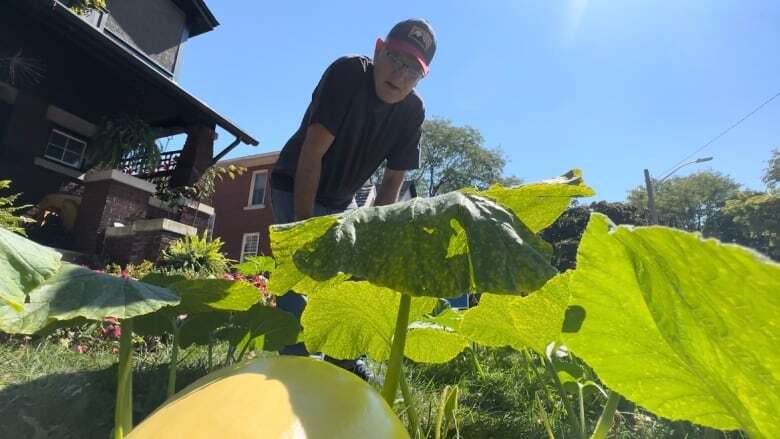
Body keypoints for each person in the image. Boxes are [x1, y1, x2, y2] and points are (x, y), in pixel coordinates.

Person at [269, 19, 437, 380]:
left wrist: (375, 240)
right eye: (395, 58)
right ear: (378, 49)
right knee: (301, 275)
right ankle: (292, 363)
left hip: (344, 198)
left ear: (422, 77)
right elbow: (313, 151)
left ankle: (344, 362)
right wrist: (304, 227)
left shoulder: (412, 111)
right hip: (295, 183)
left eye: (413, 70)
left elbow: (393, 182)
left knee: (356, 278)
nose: (400, 75)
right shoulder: (349, 72)